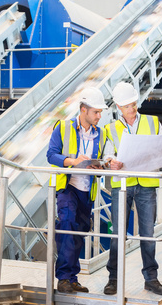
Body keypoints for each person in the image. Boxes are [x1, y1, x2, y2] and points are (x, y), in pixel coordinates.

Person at [103, 82, 162, 296]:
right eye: (127, 106)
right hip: (122, 185)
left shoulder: (151, 122)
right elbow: (107, 155)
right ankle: (114, 279)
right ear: (119, 107)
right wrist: (112, 161)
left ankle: (151, 279)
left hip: (146, 184)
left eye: (134, 104)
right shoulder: (110, 128)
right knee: (118, 235)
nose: (132, 108)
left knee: (148, 233)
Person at [46, 86, 108, 293]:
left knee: (80, 231)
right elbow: (51, 155)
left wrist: (100, 165)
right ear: (83, 110)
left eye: (100, 112)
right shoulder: (63, 127)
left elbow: (104, 161)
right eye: (96, 112)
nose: (99, 116)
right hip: (68, 187)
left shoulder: (102, 133)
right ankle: (63, 278)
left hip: (87, 191)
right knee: (66, 226)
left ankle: (72, 278)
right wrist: (73, 161)